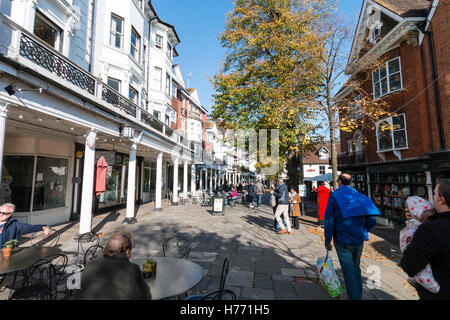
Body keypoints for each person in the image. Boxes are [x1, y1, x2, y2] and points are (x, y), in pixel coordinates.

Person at [323, 173, 380, 300]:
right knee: (356, 268)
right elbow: (372, 219)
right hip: (358, 239)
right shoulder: (359, 196)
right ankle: (358, 294)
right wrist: (364, 230)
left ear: (339, 182)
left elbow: (329, 221)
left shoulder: (334, 196)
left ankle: (355, 297)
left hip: (342, 239)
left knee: (349, 273)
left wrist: (327, 240)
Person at [400, 178, 450, 300]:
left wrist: (414, 227)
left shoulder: (429, 230)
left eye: (434, 194)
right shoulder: (431, 226)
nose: (432, 197)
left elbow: (410, 266)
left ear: (442, 199)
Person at [75, 231, 152, 300]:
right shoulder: (133, 270)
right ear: (128, 251)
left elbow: (78, 293)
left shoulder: (91, 264)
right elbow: (146, 296)